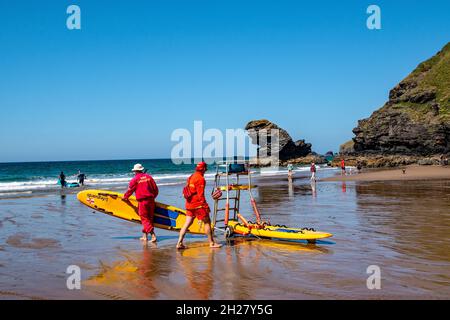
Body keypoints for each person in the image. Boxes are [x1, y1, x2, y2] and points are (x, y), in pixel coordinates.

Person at [176, 162, 222, 250]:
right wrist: (205, 206)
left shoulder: (191, 176)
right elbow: (201, 195)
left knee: (187, 224)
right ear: (204, 169)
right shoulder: (201, 179)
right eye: (206, 169)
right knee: (207, 222)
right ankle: (211, 243)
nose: (206, 171)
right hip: (198, 205)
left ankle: (179, 243)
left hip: (189, 204)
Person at [123, 164, 159, 243]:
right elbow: (156, 189)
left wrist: (125, 197)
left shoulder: (135, 179)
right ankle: (145, 236)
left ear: (135, 171)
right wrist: (153, 198)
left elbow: (130, 190)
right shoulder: (149, 177)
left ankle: (153, 236)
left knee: (144, 219)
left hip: (142, 202)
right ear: (141, 170)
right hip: (151, 201)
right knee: (149, 219)